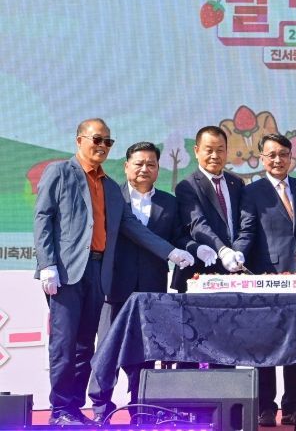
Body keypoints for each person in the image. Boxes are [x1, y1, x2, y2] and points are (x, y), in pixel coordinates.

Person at [33, 119, 194, 425]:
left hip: (98, 272)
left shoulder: (108, 186)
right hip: (65, 272)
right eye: (97, 139)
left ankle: (74, 410)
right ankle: (59, 410)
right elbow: (43, 217)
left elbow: (130, 226)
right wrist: (47, 264)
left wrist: (170, 252)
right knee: (64, 344)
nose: (102, 146)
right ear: (79, 140)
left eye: (108, 141)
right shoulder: (60, 172)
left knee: (84, 346)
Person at [86, 142, 214, 423]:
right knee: (107, 349)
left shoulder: (169, 202)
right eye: (139, 163)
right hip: (114, 287)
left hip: (152, 287)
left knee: (145, 350)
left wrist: (196, 248)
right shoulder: (112, 197)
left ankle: (140, 406)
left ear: (158, 169)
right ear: (126, 166)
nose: (145, 169)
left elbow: (178, 237)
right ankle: (100, 408)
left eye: (151, 164)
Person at [232, 134, 296, 427]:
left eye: (283, 154)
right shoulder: (252, 191)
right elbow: (247, 231)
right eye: (271, 155)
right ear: (262, 158)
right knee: (265, 343)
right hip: (266, 276)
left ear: (291, 157)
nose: (278, 160)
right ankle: (265, 407)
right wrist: (237, 254)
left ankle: (292, 405)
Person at [171, 125, 244, 292]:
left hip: (236, 272)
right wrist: (223, 251)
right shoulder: (187, 186)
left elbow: (243, 223)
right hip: (201, 273)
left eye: (220, 150)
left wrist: (238, 251)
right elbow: (197, 224)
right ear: (196, 151)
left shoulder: (236, 183)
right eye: (209, 150)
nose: (215, 156)